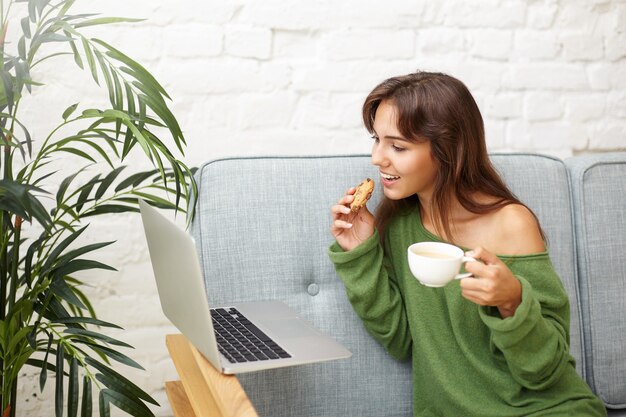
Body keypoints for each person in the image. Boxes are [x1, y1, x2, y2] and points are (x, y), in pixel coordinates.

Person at [328, 71, 606, 416]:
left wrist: (513, 302)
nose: (378, 158)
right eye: (377, 140)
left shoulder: (511, 224)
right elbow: (401, 341)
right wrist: (360, 253)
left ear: (447, 150)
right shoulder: (400, 225)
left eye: (398, 146)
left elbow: (546, 372)